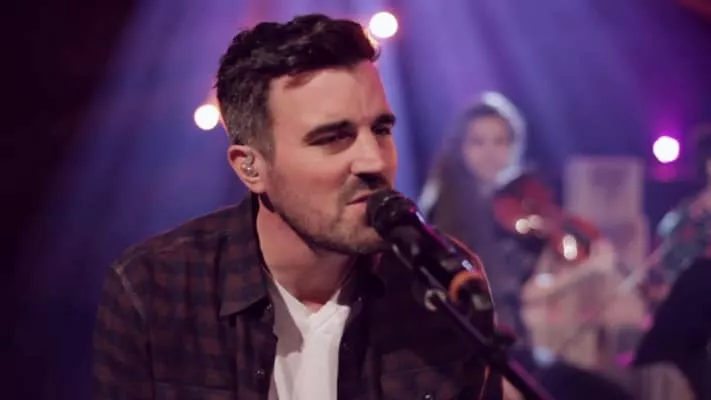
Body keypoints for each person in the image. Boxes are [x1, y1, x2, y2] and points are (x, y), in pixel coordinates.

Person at [92, 14, 502, 400]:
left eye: (380, 130)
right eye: (333, 138)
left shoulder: (444, 280)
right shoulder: (156, 287)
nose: (374, 160)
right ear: (251, 167)